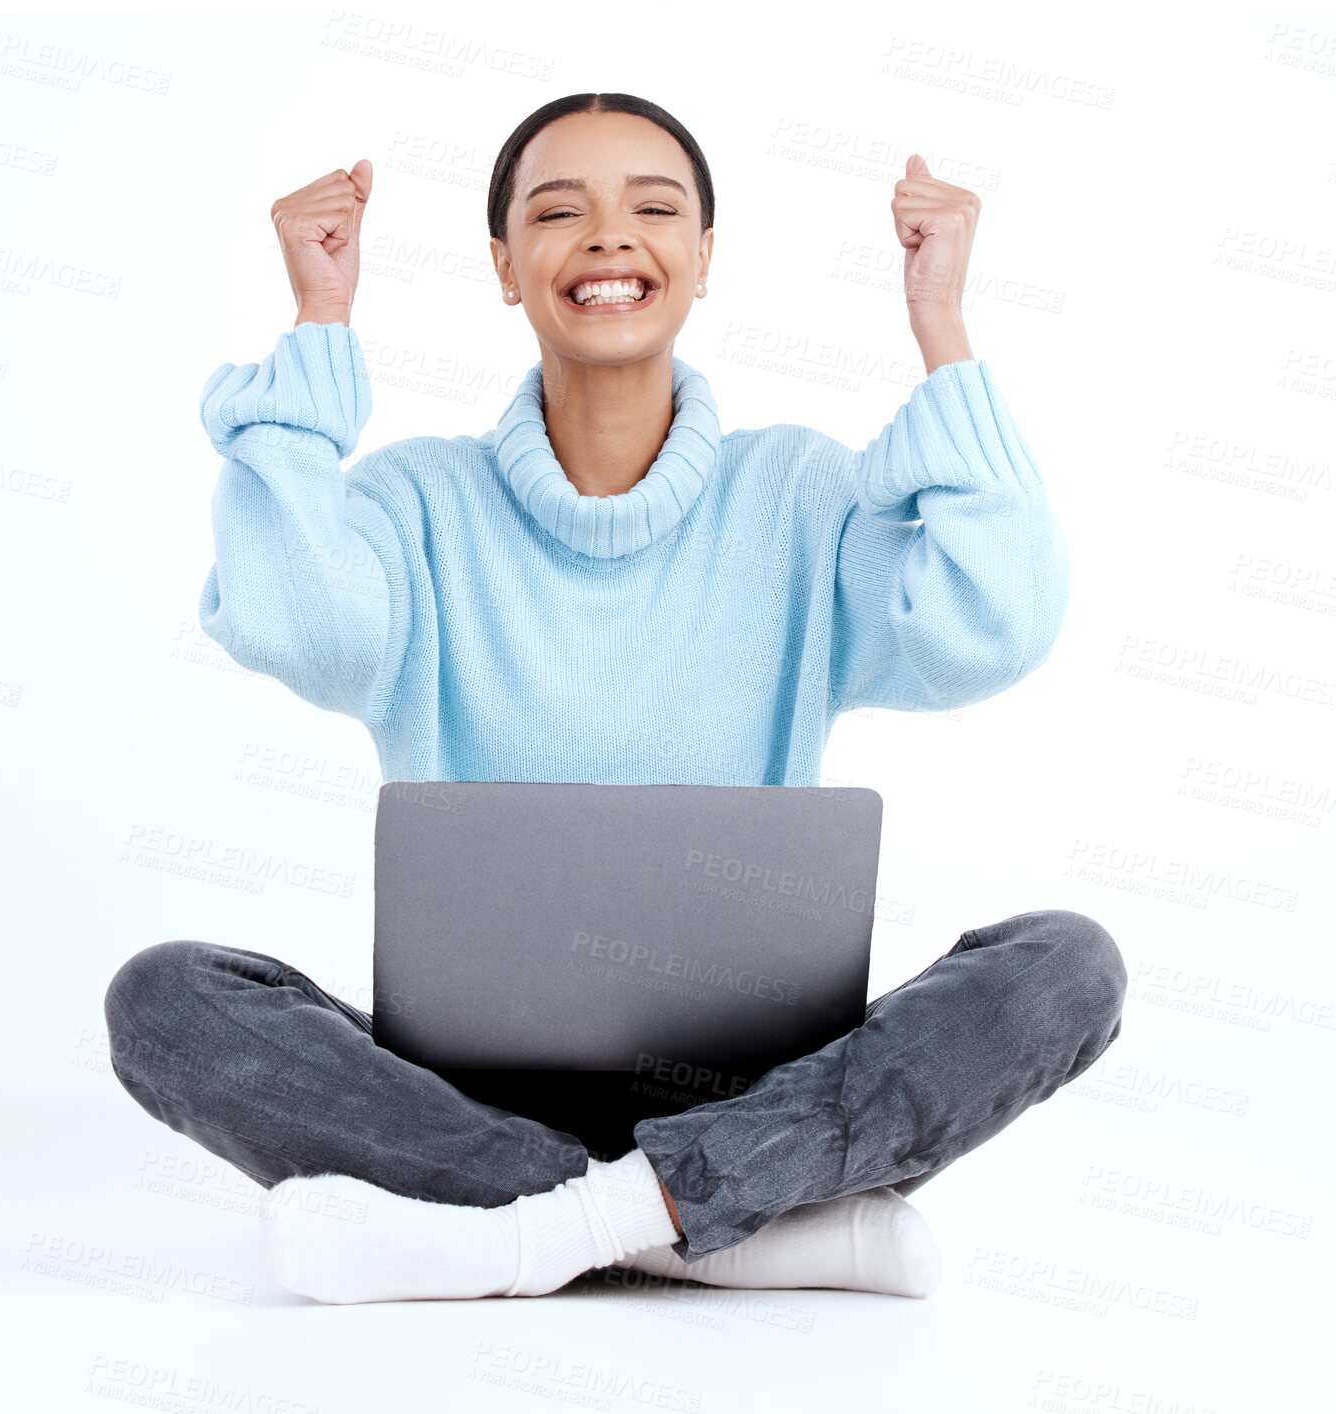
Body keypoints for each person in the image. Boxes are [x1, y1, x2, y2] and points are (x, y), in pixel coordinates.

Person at [104, 92, 1126, 1305]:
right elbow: (294, 617)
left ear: (701, 261)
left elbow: (992, 627)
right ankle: (713, 1220)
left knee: (1066, 966)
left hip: (756, 1086)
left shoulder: (793, 495)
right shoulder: (419, 505)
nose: (607, 237)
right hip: (462, 1095)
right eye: (557, 211)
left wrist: (940, 326)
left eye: (653, 208)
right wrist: (320, 322)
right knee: (166, 1000)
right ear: (503, 266)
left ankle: (546, 1228)